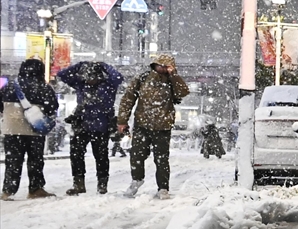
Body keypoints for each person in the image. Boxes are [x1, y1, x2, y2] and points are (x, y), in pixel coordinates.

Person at [117, 53, 189, 200]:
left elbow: (183, 91)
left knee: (162, 159)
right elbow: (128, 99)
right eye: (160, 65)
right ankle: (137, 180)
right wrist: (122, 121)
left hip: (163, 126)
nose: (162, 68)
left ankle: (163, 188)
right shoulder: (142, 79)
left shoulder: (172, 81)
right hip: (142, 124)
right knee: (137, 154)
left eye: (166, 66)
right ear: (154, 65)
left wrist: (173, 75)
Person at [58, 61, 124, 195]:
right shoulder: (81, 85)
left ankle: (102, 184)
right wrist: (80, 64)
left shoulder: (108, 85)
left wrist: (104, 65)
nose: (89, 79)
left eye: (92, 76)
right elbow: (62, 75)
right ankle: (78, 183)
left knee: (101, 157)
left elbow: (118, 77)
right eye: (87, 76)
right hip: (82, 124)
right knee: (76, 155)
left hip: (101, 126)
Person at [1, 58, 58, 200]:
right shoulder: (44, 87)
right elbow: (52, 107)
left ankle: (8, 191)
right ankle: (35, 189)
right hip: (34, 129)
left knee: (13, 160)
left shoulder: (10, 86)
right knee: (35, 160)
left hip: (12, 129)